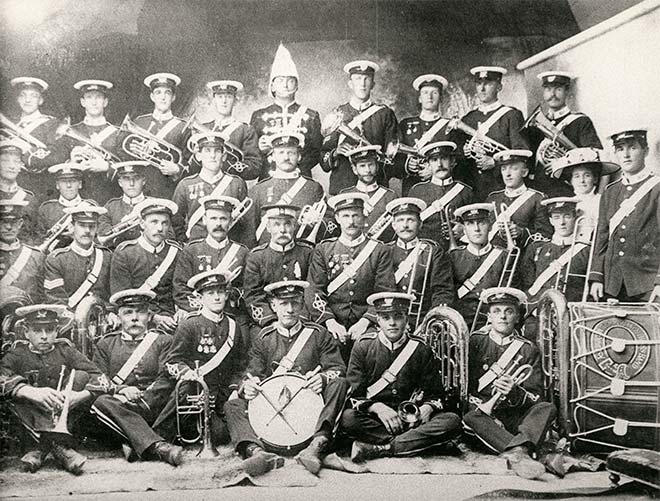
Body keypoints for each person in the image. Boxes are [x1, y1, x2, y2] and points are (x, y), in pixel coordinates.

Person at [224, 280, 349, 476]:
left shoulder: (318, 334)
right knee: (232, 406)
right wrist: (247, 386)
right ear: (273, 306)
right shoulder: (264, 338)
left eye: (295, 303)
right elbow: (252, 373)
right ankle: (257, 453)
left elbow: (338, 369)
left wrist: (323, 378)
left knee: (339, 384)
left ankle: (316, 445)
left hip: (309, 412)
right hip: (274, 411)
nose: (290, 309)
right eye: (283, 304)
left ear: (302, 304)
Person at [340, 291, 462, 461]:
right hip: (378, 421)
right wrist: (377, 408)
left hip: (413, 420)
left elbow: (436, 393)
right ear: (378, 320)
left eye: (398, 316)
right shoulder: (363, 347)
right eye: (386, 317)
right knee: (348, 419)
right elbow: (354, 396)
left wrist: (428, 408)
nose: (392, 323)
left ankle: (382, 448)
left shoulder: (421, 348)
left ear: (406, 318)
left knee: (452, 421)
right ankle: (420, 443)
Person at [0, 304, 106, 474]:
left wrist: (79, 395)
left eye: (49, 330)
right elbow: (2, 376)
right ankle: (62, 450)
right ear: (26, 332)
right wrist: (29, 391)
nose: (44, 336)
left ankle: (39, 450)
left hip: (66, 412)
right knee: (14, 394)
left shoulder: (66, 351)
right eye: (37, 330)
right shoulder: (16, 355)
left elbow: (99, 376)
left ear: (56, 331)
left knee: (81, 375)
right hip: (31, 416)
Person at [463, 287, 556, 480]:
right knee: (470, 417)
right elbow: (464, 389)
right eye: (497, 311)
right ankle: (522, 449)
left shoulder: (528, 349)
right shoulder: (474, 342)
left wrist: (514, 392)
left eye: (509, 311)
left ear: (517, 316)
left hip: (513, 417)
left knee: (548, 407)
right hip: (483, 417)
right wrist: (480, 407)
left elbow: (535, 396)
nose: (503, 317)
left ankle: (515, 452)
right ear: (489, 316)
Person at [153, 270, 248, 447]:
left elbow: (240, 365)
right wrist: (187, 372)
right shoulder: (190, 324)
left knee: (220, 435)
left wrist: (235, 389)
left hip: (223, 393)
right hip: (195, 391)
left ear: (227, 295)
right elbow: (172, 361)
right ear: (200, 297)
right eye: (210, 293)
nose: (217, 297)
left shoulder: (234, 325)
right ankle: (156, 440)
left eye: (220, 292)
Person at [91, 289, 183, 466]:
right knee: (101, 402)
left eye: (140, 312)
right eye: (128, 312)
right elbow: (98, 379)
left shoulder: (163, 341)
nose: (135, 318)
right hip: (119, 406)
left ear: (149, 316)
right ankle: (157, 446)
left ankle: (133, 442)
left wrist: (144, 400)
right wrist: (122, 389)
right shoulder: (106, 343)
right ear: (119, 317)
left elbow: (167, 377)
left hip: (153, 408)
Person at [306, 193, 395, 360]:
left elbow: (385, 291)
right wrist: (329, 321)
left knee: (371, 347)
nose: (351, 221)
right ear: (338, 218)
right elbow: (314, 290)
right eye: (345, 216)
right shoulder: (324, 249)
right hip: (331, 320)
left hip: (367, 322)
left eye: (356, 215)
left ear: (364, 217)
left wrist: (365, 322)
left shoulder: (378, 250)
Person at [590, 128, 660, 303]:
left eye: (632, 148)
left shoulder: (657, 188)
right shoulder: (610, 192)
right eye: (620, 149)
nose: (626, 155)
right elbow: (602, 238)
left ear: (646, 151)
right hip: (613, 284)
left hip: (647, 283)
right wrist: (597, 277)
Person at [320, 60, 398, 195]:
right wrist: (335, 153)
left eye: (366, 79)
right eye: (357, 79)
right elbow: (323, 159)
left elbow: (393, 155)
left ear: (372, 84)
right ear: (350, 84)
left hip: (376, 189)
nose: (362, 84)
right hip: (343, 187)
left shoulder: (385, 114)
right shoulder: (337, 113)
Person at [172, 195, 249, 324]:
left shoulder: (242, 252)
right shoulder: (191, 250)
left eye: (223, 219)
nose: (218, 224)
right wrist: (203, 309)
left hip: (232, 315)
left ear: (230, 221)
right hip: (198, 315)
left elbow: (247, 288)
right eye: (213, 218)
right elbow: (180, 288)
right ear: (204, 220)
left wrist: (231, 295)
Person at [250, 43, 322, 179]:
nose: (285, 84)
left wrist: (294, 166)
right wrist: (260, 149)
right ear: (272, 85)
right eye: (280, 80)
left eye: (290, 81)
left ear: (297, 85)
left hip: (300, 179)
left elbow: (316, 152)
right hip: (268, 179)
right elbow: (251, 155)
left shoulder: (311, 116)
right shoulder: (258, 116)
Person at [456, 66, 528, 201]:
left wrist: (495, 162)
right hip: (473, 188)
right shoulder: (468, 119)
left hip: (501, 186)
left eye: (488, 84)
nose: (482, 89)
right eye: (479, 84)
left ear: (499, 87)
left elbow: (521, 152)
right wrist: (465, 152)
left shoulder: (511, 115)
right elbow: (459, 160)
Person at [525, 71, 603, 197]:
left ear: (567, 92)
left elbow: (594, 153)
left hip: (566, 189)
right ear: (543, 93)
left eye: (558, 89)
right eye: (548, 90)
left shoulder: (580, 121)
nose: (553, 95)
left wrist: (562, 162)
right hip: (539, 189)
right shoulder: (536, 125)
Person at [110, 198, 181, 331]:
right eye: (154, 222)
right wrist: (153, 317)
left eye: (165, 223)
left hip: (172, 320)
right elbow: (122, 297)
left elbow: (180, 289)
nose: (160, 228)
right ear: (142, 224)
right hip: (137, 320)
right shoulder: (125, 253)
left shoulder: (176, 252)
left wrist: (181, 310)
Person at [243, 203, 314, 332]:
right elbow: (253, 295)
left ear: (295, 226)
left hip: (302, 319)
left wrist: (301, 319)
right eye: (276, 224)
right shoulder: (256, 257)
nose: (282, 230)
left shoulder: (307, 253)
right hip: (268, 322)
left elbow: (311, 291)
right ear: (268, 227)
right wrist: (270, 321)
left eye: (287, 224)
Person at [247, 132, 325, 246]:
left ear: (299, 157)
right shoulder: (258, 190)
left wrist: (317, 221)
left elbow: (329, 224)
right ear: (272, 156)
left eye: (291, 153)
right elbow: (249, 231)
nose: (286, 157)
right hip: (266, 257)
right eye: (281, 152)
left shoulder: (313, 188)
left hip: (303, 254)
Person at [385, 197, 454, 323]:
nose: (405, 225)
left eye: (410, 220)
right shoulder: (384, 251)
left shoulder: (433, 251)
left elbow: (442, 291)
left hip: (422, 321)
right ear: (393, 225)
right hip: (390, 321)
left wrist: (430, 321)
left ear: (420, 224)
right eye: (400, 220)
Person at [172, 132, 248, 242]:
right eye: (207, 151)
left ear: (224, 156)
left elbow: (245, 224)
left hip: (228, 249)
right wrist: (186, 245)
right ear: (198, 156)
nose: (212, 155)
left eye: (217, 151)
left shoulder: (236, 184)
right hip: (195, 249)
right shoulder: (185, 185)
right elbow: (175, 222)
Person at [393, 74, 458, 195]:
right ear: (419, 98)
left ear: (441, 98)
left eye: (434, 93)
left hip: (443, 191)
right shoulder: (405, 124)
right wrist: (407, 165)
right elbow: (394, 161)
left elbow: (458, 161)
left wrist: (435, 171)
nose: (429, 97)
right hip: (412, 188)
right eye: (425, 93)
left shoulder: (450, 126)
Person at [521, 197, 591, 308]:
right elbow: (527, 286)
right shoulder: (537, 249)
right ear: (551, 221)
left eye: (567, 216)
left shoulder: (586, 251)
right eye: (556, 217)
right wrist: (533, 310)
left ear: (575, 218)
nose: (562, 222)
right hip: (539, 312)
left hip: (573, 313)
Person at [129, 73, 190, 199]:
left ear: (173, 97)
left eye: (167, 93)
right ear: (152, 96)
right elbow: (126, 156)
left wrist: (178, 168)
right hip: (140, 190)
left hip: (168, 189)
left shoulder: (183, 127)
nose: (163, 97)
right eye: (158, 93)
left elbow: (190, 161)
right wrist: (135, 150)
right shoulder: (139, 122)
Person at [60, 80, 121, 204]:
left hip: (110, 196)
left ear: (105, 102)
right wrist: (71, 162)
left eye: (98, 97)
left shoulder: (117, 133)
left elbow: (127, 168)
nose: (94, 102)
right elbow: (58, 170)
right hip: (77, 198)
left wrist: (106, 167)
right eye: (89, 97)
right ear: (83, 102)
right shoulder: (70, 131)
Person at [449, 204, 507, 329]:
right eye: (470, 224)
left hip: (494, 324)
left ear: (490, 226)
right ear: (464, 229)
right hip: (460, 323)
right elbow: (447, 293)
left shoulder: (504, 257)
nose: (476, 229)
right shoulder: (453, 257)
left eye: (481, 223)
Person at [44, 203, 111, 308]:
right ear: (71, 227)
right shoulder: (57, 260)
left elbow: (111, 296)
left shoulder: (107, 257)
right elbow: (56, 301)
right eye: (82, 225)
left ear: (97, 228)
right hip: (69, 319)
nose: (87, 231)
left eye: (92, 226)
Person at [408, 141, 473, 248]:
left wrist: (464, 230)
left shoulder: (465, 191)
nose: (440, 164)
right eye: (434, 160)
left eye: (444, 158)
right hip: (426, 252)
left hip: (459, 251)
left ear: (452, 161)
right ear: (428, 164)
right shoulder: (416, 191)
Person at [7, 77, 62, 202]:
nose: (27, 100)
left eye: (33, 96)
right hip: (10, 185)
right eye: (23, 95)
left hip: (38, 186)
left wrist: (26, 155)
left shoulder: (51, 124)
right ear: (18, 99)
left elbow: (57, 154)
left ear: (41, 100)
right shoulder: (11, 124)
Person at [193, 80, 261, 181]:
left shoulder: (245, 130)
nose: (224, 101)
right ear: (214, 100)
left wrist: (221, 164)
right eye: (220, 97)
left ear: (235, 101)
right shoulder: (202, 129)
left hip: (231, 186)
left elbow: (254, 167)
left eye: (229, 96)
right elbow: (192, 168)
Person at [486, 149, 551, 250]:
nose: (507, 174)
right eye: (504, 169)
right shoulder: (492, 198)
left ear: (524, 172)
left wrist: (523, 233)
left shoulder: (537, 199)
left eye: (514, 169)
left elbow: (546, 236)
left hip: (523, 257)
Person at [550, 147, 620, 237]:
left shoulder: (603, 202)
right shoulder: (566, 203)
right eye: (576, 176)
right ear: (570, 181)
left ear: (595, 179)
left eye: (587, 175)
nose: (582, 180)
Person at [339, 145, 396, 242]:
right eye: (362, 166)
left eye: (371, 165)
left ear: (377, 166)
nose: (368, 170)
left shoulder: (390, 196)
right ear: (354, 169)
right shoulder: (345, 195)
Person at [98, 161, 156, 248]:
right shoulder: (110, 207)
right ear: (120, 183)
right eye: (126, 179)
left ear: (143, 181)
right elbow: (103, 234)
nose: (131, 183)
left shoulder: (154, 205)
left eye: (136, 178)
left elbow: (168, 234)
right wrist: (124, 224)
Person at [36, 163, 92, 249]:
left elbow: (98, 239)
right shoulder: (46, 209)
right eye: (64, 181)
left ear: (80, 184)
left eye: (73, 181)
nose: (69, 186)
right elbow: (39, 240)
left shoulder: (90, 207)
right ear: (57, 185)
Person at [0, 199, 44, 302]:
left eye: (13, 222)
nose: (9, 227)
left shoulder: (36, 257)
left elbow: (42, 297)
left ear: (20, 223)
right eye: (2, 222)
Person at [0, 139, 38, 245]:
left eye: (16, 161)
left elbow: (33, 235)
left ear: (21, 166)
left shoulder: (29, 199)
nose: (12, 166)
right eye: (5, 161)